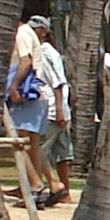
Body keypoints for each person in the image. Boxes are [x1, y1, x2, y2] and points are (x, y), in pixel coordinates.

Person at [5, 19, 61, 207]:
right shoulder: (30, 34)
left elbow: (26, 61)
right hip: (40, 94)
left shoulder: (22, 33)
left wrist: (14, 86)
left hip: (28, 95)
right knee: (33, 143)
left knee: (17, 142)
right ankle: (38, 188)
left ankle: (36, 185)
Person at [33, 18, 74, 199]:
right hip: (60, 108)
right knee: (62, 152)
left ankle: (46, 185)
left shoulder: (44, 52)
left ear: (43, 31)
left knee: (38, 149)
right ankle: (65, 191)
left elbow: (58, 82)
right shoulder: (48, 51)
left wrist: (58, 109)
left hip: (51, 109)